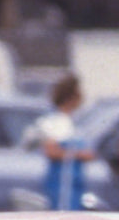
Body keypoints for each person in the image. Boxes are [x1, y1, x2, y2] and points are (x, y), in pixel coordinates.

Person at [38, 73, 92, 210]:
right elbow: (50, 151)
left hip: (74, 183)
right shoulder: (56, 121)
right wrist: (79, 154)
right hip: (63, 184)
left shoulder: (72, 121)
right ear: (70, 98)